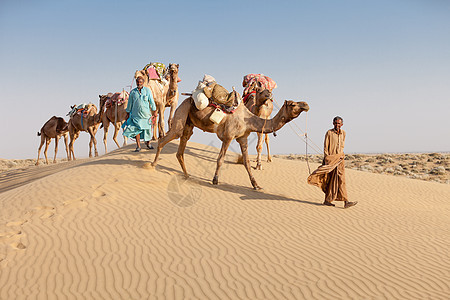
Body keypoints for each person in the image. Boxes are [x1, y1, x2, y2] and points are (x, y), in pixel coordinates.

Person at [307, 116, 357, 208]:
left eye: (339, 123)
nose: (337, 125)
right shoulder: (329, 133)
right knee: (330, 180)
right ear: (333, 123)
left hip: (340, 160)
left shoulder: (343, 133)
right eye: (335, 123)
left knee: (341, 180)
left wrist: (341, 155)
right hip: (330, 160)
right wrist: (327, 158)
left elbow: (342, 146)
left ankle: (346, 201)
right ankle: (327, 200)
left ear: (342, 124)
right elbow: (326, 146)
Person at [122, 76, 157, 152]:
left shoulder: (147, 91)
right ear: (136, 82)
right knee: (136, 130)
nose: (139, 83)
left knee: (147, 130)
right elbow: (130, 104)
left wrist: (154, 111)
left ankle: (148, 144)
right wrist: (127, 113)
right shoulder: (133, 92)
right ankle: (138, 146)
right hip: (136, 115)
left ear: (143, 82)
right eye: (138, 82)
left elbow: (151, 101)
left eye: (140, 82)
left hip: (146, 115)